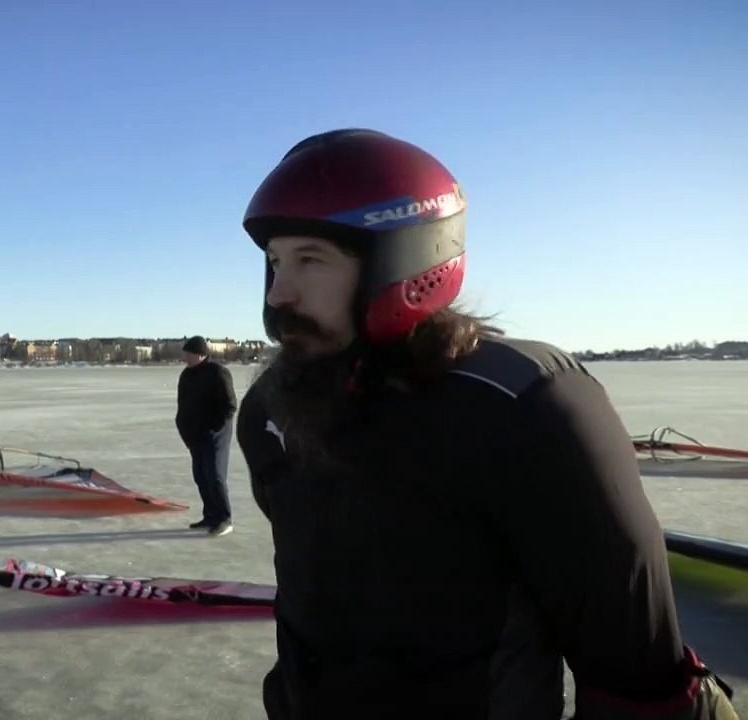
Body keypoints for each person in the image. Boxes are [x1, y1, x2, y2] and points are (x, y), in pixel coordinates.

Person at [236, 128, 738, 718]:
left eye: (311, 260)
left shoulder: (518, 404)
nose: (281, 293)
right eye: (275, 262)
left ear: (404, 264)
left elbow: (636, 667)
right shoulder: (274, 406)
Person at [175, 335, 237, 536]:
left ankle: (224, 518)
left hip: (215, 436)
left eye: (189, 354)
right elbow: (182, 406)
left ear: (201, 354)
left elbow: (230, 406)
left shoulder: (218, 373)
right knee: (200, 476)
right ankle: (210, 515)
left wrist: (214, 429)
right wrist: (183, 428)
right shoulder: (186, 375)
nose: (186, 357)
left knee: (215, 475)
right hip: (194, 436)